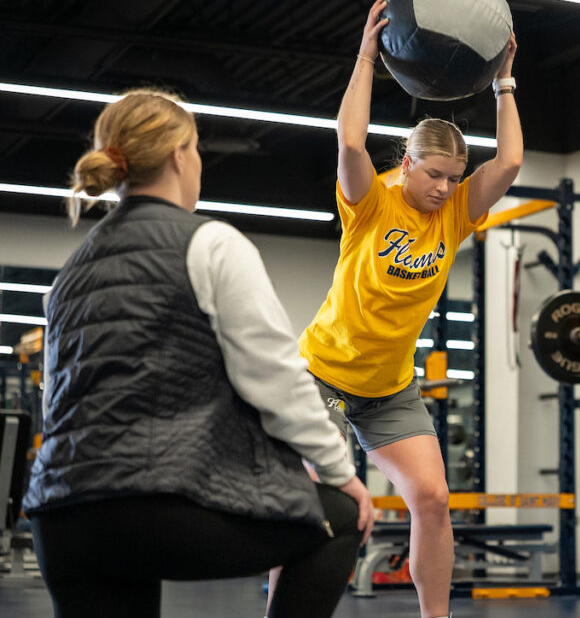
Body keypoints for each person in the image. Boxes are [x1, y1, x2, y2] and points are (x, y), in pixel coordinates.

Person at [22, 89, 375, 618]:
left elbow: (60, 401)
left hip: (62, 518)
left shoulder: (69, 275)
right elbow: (276, 379)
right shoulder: (212, 245)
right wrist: (339, 472)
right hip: (161, 508)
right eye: (198, 151)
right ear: (178, 155)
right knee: (342, 517)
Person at [296, 0, 522, 618]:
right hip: (320, 378)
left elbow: (510, 161)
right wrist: (367, 55)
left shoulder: (454, 215)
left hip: (389, 388)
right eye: (434, 175)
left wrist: (504, 80)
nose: (444, 189)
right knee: (324, 511)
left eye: (453, 178)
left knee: (433, 497)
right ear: (408, 162)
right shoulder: (372, 201)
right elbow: (348, 143)